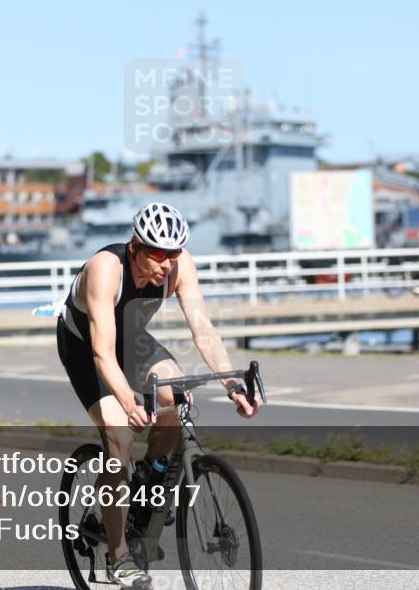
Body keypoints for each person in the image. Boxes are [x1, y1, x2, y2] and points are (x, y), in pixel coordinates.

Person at [56, 203, 261, 589]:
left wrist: (232, 386)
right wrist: (129, 403)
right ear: (135, 246)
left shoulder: (180, 267)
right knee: (119, 435)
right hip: (85, 345)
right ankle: (119, 557)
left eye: (174, 253)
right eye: (157, 253)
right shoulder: (106, 269)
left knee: (178, 393)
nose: (167, 264)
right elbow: (103, 351)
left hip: (131, 341)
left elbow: (204, 332)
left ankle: (149, 483)